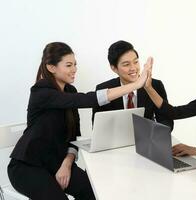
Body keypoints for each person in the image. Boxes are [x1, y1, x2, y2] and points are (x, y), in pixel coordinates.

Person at [7, 42, 150, 200]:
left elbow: (74, 134)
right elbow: (87, 99)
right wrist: (135, 85)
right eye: (68, 65)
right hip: (27, 166)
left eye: (75, 64)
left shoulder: (70, 91)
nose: (74, 69)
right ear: (51, 67)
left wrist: (67, 163)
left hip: (57, 163)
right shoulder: (41, 91)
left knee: (94, 192)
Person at [92, 40, 174, 129]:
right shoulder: (103, 90)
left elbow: (166, 120)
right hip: (117, 142)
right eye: (126, 64)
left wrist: (156, 134)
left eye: (136, 62)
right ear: (114, 68)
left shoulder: (155, 85)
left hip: (149, 139)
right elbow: (98, 127)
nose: (133, 68)